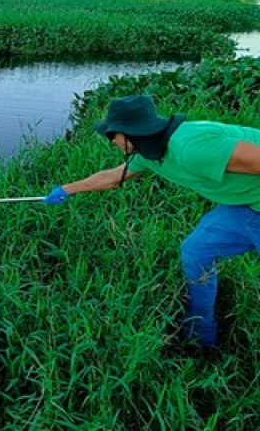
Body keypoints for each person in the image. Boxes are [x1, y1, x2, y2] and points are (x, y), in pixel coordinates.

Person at [43, 95, 260, 348]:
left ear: (128, 134)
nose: (111, 141)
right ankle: (199, 335)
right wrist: (68, 189)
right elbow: (116, 177)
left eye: (112, 135)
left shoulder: (192, 148)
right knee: (197, 251)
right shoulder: (150, 152)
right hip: (246, 207)